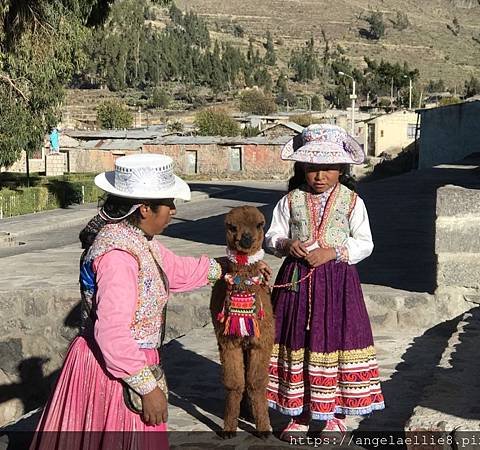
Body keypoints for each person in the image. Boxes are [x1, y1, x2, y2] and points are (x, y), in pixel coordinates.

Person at [30, 154, 269, 450]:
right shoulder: (118, 257)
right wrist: (147, 389)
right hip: (114, 373)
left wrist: (232, 265)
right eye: (168, 203)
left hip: (126, 363)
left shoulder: (139, 240)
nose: (173, 210)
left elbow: (177, 271)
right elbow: (112, 334)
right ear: (144, 208)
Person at [265, 124, 385, 440]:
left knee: (336, 341)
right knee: (298, 342)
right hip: (296, 284)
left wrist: (334, 252)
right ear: (302, 167)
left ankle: (333, 415)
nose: (320, 176)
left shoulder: (352, 201)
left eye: (329, 168)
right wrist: (285, 245)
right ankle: (301, 413)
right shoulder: (290, 201)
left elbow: (366, 242)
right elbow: (272, 235)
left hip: (337, 284)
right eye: (313, 168)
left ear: (342, 168)